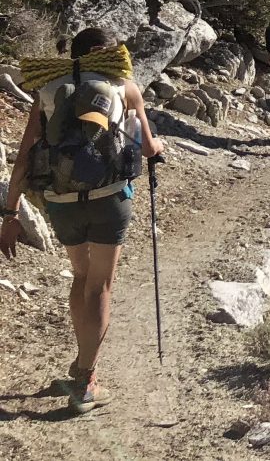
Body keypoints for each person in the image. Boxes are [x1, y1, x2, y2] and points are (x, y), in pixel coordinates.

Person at [0, 26, 166, 414]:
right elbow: (145, 147)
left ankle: (80, 363)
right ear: (110, 54)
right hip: (110, 199)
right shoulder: (124, 86)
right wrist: (160, 147)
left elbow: (23, 158)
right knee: (101, 285)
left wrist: (10, 215)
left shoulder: (48, 90)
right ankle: (87, 379)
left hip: (60, 201)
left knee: (81, 277)